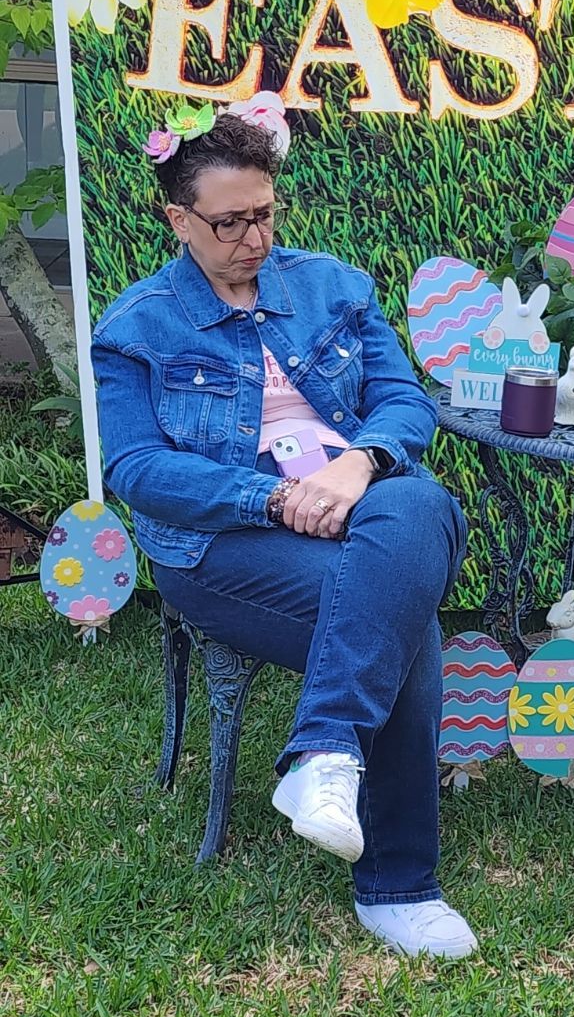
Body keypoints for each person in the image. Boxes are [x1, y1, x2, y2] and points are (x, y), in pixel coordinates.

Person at [92, 102, 477, 959]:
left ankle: (325, 755)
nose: (253, 238)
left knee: (420, 502)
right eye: (228, 222)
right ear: (178, 220)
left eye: (264, 214)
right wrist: (271, 497)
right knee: (404, 619)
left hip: (358, 505)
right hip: (223, 543)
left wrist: (355, 466)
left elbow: (404, 401)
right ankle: (398, 885)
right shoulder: (135, 327)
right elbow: (137, 470)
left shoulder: (335, 287)